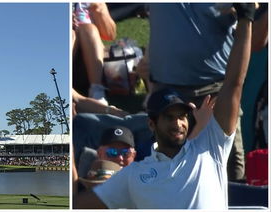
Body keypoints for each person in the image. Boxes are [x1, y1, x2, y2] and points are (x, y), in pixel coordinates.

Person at [73, 3, 254, 209]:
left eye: (182, 116)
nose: (177, 123)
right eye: (168, 117)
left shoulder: (211, 147)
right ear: (151, 124)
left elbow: (234, 84)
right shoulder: (133, 176)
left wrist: (246, 19)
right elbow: (77, 205)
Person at [137, 2, 267, 182]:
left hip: (216, 90)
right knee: (164, 171)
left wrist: (245, 13)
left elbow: (258, 38)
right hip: (167, 92)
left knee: (230, 174)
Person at [73, 2, 116, 105]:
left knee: (89, 29)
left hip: (89, 62)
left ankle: (96, 91)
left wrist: (99, 9)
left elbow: (110, 34)